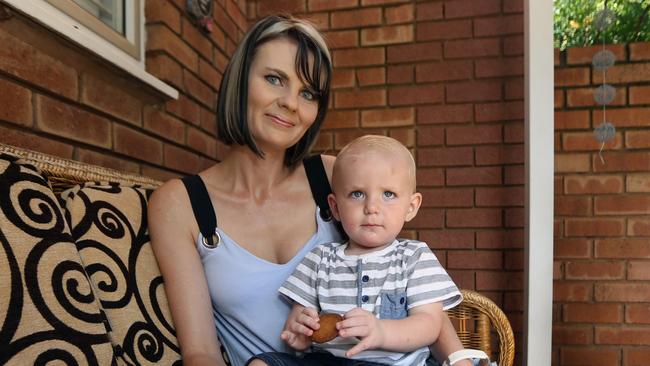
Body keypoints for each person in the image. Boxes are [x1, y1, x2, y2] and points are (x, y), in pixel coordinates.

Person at [148, 14, 471, 366]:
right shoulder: (181, 204)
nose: (291, 103)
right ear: (240, 82)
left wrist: (460, 361)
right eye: (274, 79)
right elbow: (200, 353)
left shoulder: (331, 177)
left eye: (307, 93)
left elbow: (405, 278)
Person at [248, 135, 462, 366]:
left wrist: (381, 331)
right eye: (357, 194)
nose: (371, 208)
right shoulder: (320, 259)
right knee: (261, 364)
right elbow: (300, 318)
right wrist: (300, 331)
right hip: (327, 361)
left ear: (411, 207)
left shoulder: (414, 257)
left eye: (388, 194)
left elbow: (429, 325)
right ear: (336, 207)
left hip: (395, 363)